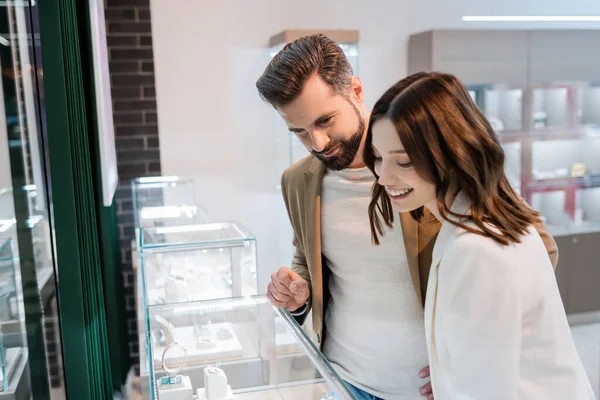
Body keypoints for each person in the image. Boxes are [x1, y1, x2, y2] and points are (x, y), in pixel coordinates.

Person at [255, 34, 558, 400]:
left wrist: (471, 357)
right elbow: (307, 258)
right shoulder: (297, 182)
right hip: (343, 380)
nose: (317, 143)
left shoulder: (433, 161)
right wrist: (299, 290)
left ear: (356, 90)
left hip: (429, 390)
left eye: (325, 121)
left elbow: (534, 251)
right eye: (299, 132)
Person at [364, 71, 594, 399]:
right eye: (377, 157)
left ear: (449, 152)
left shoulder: (476, 251)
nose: (384, 177)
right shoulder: (487, 219)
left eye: (403, 162)